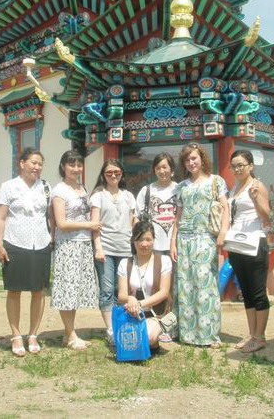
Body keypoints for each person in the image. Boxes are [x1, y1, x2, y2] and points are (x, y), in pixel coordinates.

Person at [170, 143, 229, 348]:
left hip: (205, 238)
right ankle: (186, 333)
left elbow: (225, 208)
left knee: (206, 285)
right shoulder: (181, 186)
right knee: (185, 286)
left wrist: (223, 232)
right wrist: (173, 243)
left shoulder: (216, 181)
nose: (191, 162)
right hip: (184, 239)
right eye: (187, 160)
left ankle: (208, 334)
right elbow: (178, 217)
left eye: (194, 158)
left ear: (202, 158)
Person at [0, 147, 53, 356]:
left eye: (40, 164)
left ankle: (33, 334)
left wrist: (52, 237)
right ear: (22, 163)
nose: (37, 167)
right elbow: (1, 217)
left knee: (39, 291)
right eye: (33, 163)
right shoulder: (9, 187)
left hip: (41, 243)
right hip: (15, 242)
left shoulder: (46, 187)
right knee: (14, 290)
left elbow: (50, 216)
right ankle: (16, 335)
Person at [51, 150, 102, 350]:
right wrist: (89, 225)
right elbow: (62, 223)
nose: (76, 168)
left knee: (75, 290)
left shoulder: (82, 188)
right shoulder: (59, 191)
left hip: (83, 244)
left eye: (79, 165)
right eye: (72, 165)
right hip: (68, 245)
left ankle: (68, 333)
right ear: (63, 166)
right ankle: (71, 336)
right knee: (67, 290)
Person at [224, 150, 271, 353]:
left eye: (241, 165)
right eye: (233, 166)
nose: (237, 169)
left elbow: (266, 215)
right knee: (247, 292)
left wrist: (255, 199)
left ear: (251, 166)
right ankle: (252, 334)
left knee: (258, 292)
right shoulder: (235, 187)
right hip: (237, 244)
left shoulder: (257, 186)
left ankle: (260, 336)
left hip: (255, 242)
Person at [90, 159, 137, 344]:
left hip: (125, 249)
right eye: (109, 172)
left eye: (117, 172)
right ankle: (110, 328)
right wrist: (98, 248)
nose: (113, 175)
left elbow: (133, 221)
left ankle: (121, 324)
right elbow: (95, 225)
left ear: (122, 173)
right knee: (107, 290)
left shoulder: (128, 196)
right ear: (103, 175)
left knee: (122, 290)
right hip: (106, 250)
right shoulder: (98, 196)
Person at [134, 152, 178, 342]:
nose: (162, 171)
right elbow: (137, 219)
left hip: (175, 246)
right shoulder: (146, 191)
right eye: (158, 167)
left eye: (165, 167)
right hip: (154, 247)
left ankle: (173, 326)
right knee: (156, 287)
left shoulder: (179, 189)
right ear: (154, 170)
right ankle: (157, 324)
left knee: (174, 287)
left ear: (172, 170)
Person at [117, 221, 172, 350]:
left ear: (154, 240)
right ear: (133, 241)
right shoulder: (125, 263)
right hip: (131, 314)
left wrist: (139, 304)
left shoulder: (164, 261)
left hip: (155, 315)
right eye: (140, 239)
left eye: (148, 239)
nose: (144, 244)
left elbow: (164, 292)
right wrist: (130, 299)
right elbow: (121, 295)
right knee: (120, 338)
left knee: (147, 336)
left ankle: (152, 339)